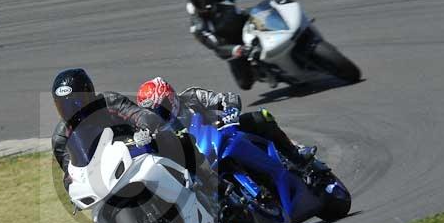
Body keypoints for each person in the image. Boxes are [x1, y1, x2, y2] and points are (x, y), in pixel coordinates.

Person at [51, 69, 232, 223]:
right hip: (105, 176)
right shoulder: (61, 137)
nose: (72, 109)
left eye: (76, 101)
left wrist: (147, 127)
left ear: (88, 93)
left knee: (176, 138)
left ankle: (212, 181)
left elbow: (137, 114)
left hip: (138, 149)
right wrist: (72, 187)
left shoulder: (108, 102)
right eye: (64, 105)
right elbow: (70, 170)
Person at [136, 77, 320, 171]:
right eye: (155, 112)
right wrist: (142, 143)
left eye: (163, 107)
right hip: (203, 159)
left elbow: (227, 98)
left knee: (261, 117)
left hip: (227, 132)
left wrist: (229, 110)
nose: (162, 113)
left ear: (171, 96)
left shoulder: (192, 97)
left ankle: (296, 155)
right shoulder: (156, 128)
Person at [185, 0, 294, 90]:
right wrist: (238, 50)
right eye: (201, 1)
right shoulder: (197, 26)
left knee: (270, 11)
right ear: (194, 3)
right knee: (245, 83)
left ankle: (295, 31)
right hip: (231, 43)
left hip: (246, 22)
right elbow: (217, 47)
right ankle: (264, 72)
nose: (206, 3)